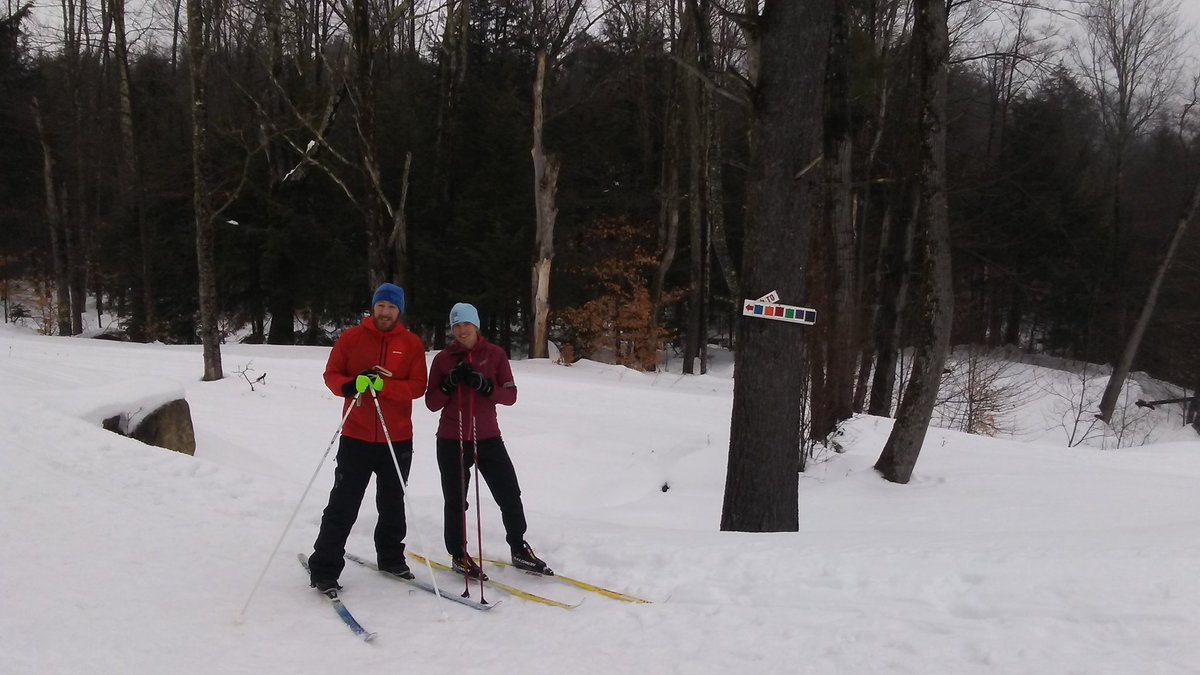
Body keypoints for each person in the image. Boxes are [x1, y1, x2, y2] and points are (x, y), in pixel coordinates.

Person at [308, 282, 428, 593]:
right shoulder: (351, 338)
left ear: (399, 310)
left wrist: (386, 387)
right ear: (373, 307)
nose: (385, 311)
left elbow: (418, 386)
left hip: (397, 437)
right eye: (381, 305)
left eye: (391, 306)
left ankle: (390, 557)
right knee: (343, 503)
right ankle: (324, 567)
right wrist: (350, 385)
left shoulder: (411, 343)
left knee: (392, 503)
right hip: (356, 436)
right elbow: (331, 374)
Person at [424, 302, 551, 578]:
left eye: (466, 324)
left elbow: (510, 396)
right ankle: (458, 553)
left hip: (487, 436)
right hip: (452, 438)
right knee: (456, 500)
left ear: (476, 325)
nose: (461, 330)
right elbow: (431, 402)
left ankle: (518, 547)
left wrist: (486, 386)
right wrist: (448, 384)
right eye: (456, 325)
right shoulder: (444, 359)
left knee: (509, 493)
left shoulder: (494, 355)